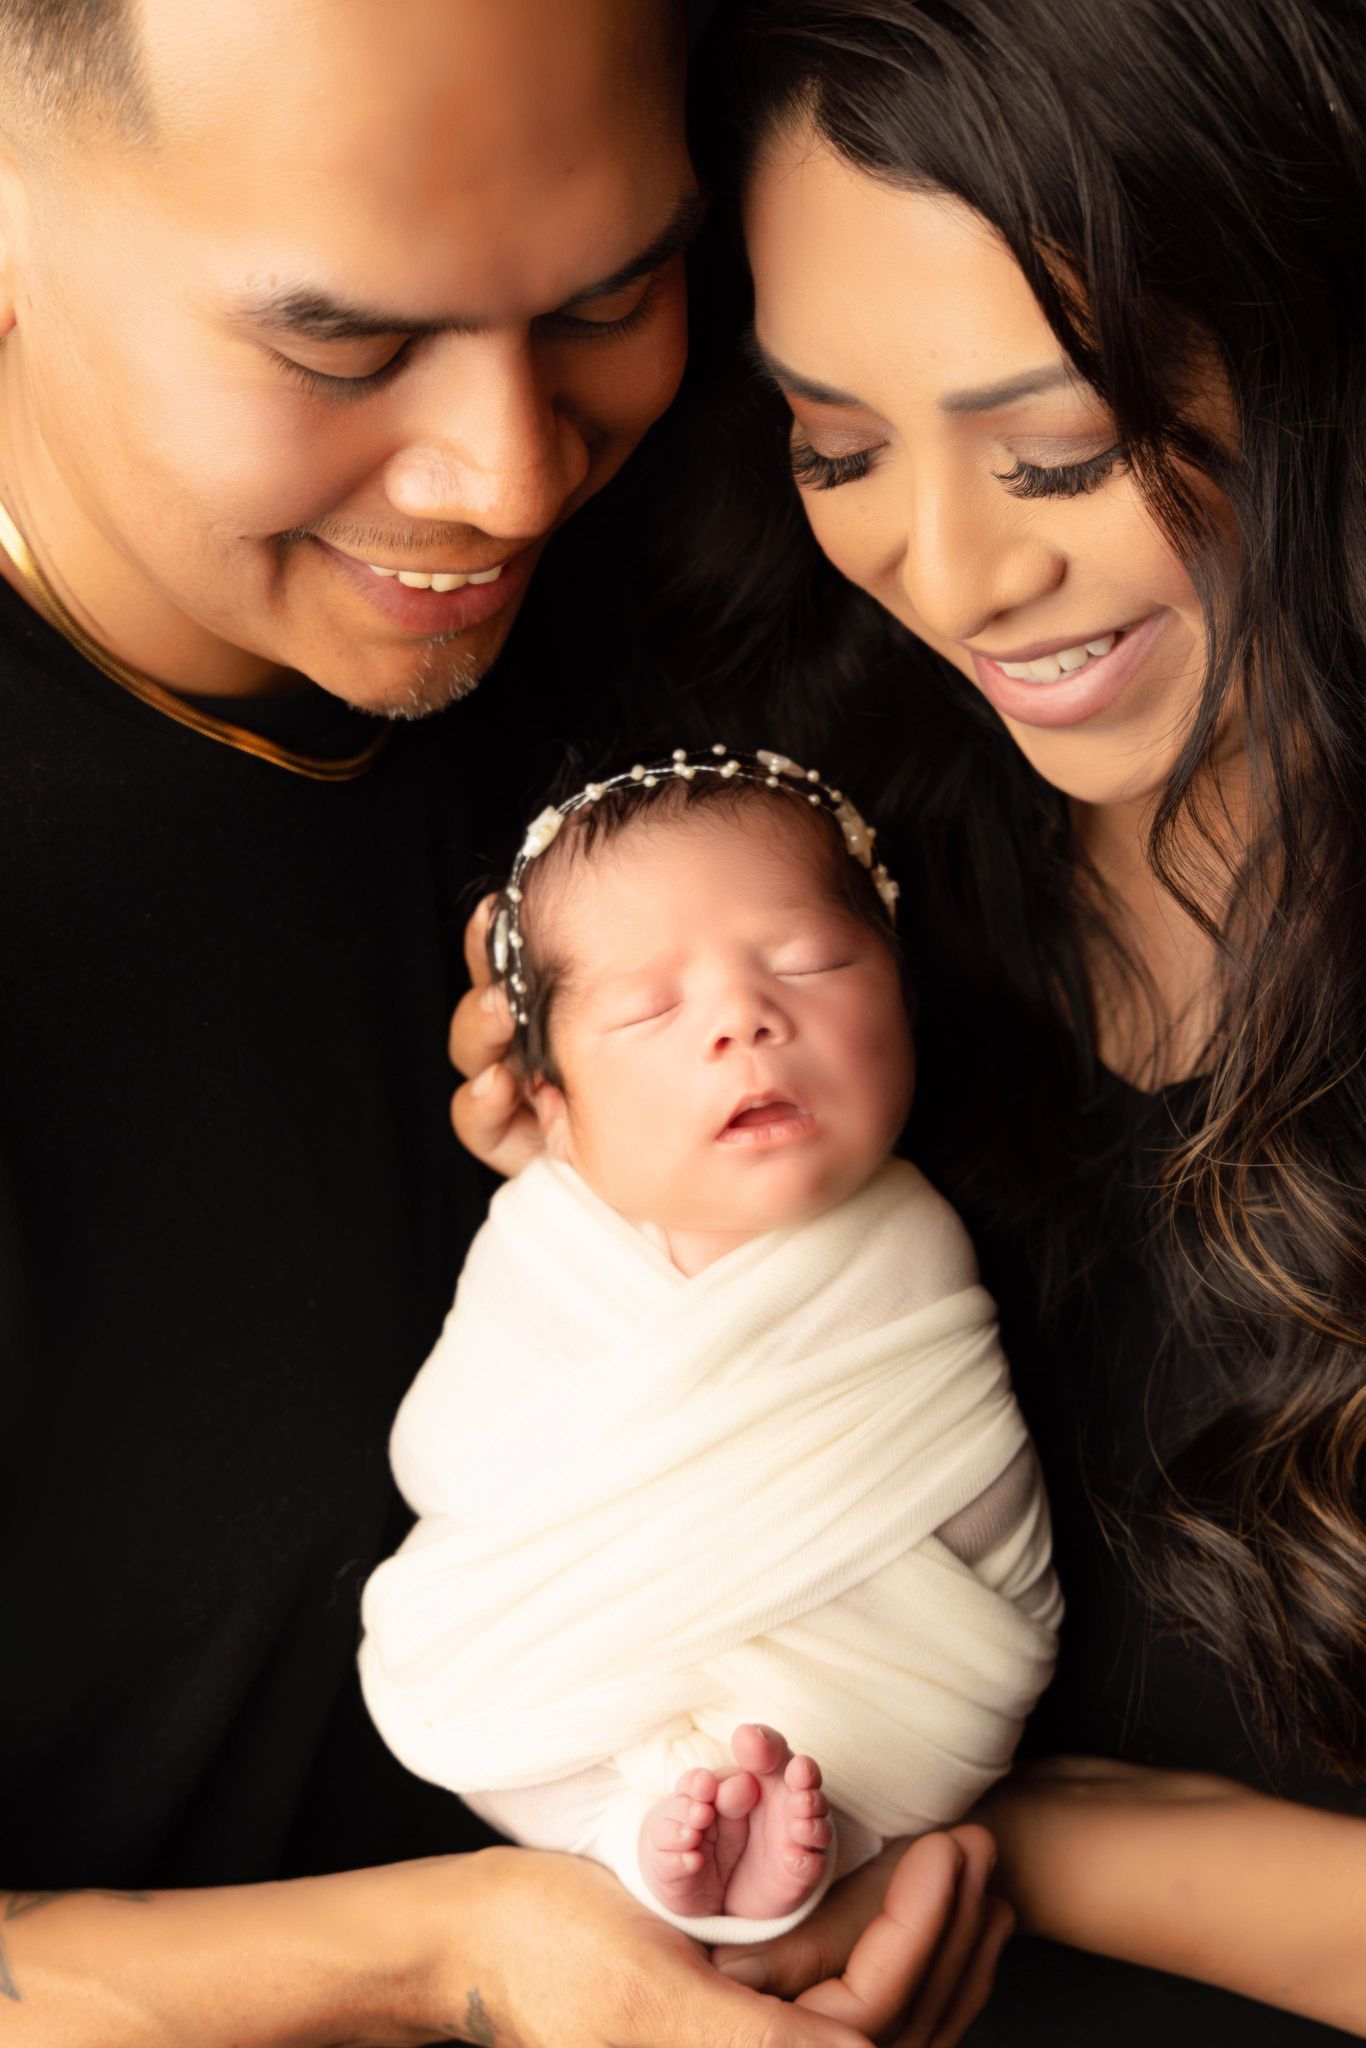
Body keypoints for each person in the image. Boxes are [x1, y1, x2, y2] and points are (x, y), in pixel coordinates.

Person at [0, 1, 1009, 2042]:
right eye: (341, 347)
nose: (507, 476)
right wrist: (458, 1961)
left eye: (610, 293)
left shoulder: (753, 551)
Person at [452, 0, 1366, 2039]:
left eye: (1057, 450)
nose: (946, 571)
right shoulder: (850, 851)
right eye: (837, 446)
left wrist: (1013, 1844)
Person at [360, 751, 1061, 1943]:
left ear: (902, 993)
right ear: (554, 1106)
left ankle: (813, 1830)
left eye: (810, 962)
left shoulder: (911, 1237)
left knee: (946, 1667)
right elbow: (458, 1468)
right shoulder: (549, 1242)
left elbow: (962, 1464)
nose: (745, 1016)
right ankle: (630, 1833)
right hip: (574, 1667)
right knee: (490, 1703)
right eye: (648, 1009)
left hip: (885, 1693)